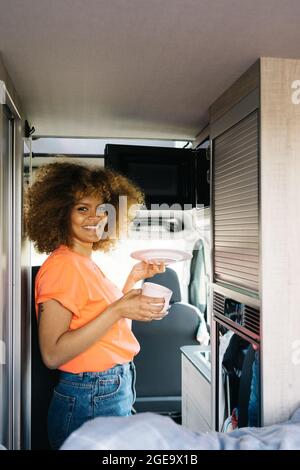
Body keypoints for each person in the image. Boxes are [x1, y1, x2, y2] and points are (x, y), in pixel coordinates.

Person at [25, 160, 166, 449]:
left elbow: (107, 325)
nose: (95, 217)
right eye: (82, 208)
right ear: (60, 213)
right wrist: (119, 308)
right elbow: (52, 354)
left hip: (108, 386)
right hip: (91, 392)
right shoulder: (63, 267)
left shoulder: (83, 262)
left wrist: (133, 280)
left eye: (102, 209)